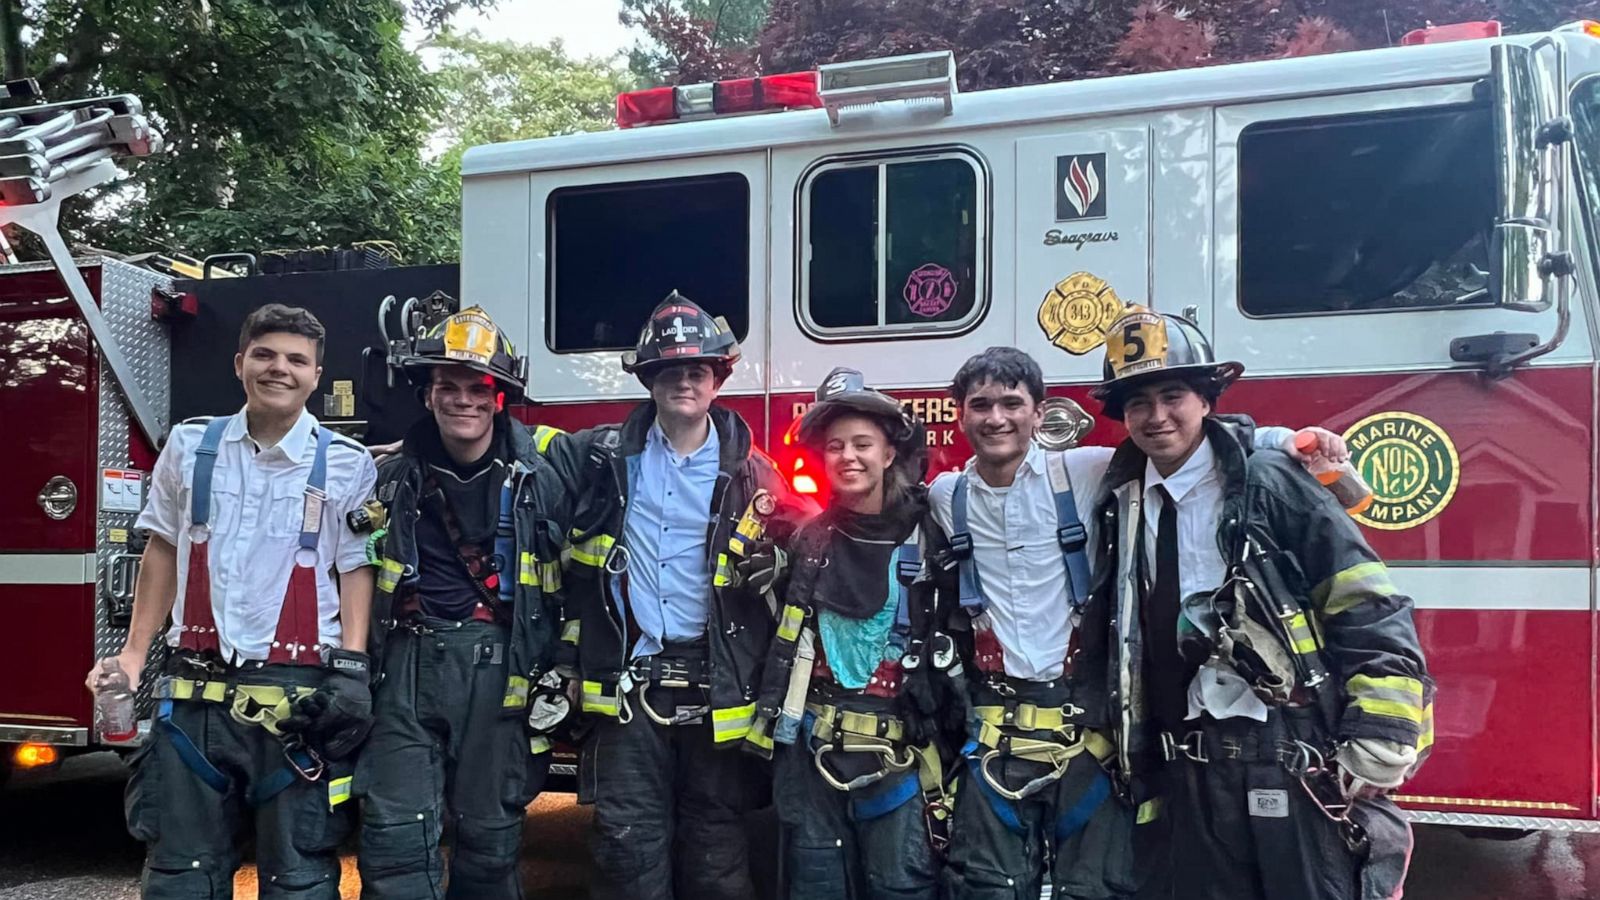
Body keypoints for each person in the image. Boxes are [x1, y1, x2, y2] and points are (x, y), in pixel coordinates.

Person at [922, 345, 1343, 899]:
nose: (996, 418)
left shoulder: (1085, 471)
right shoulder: (944, 495)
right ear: (960, 414)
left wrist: (1284, 440)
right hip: (994, 726)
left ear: (1039, 411)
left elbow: (1196, 448)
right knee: (986, 886)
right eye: (980, 405)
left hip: (1086, 726)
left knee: (1093, 888)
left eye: (1011, 403)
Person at [1081, 305, 1433, 900]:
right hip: (1190, 765)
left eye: (1173, 395)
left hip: (1292, 755)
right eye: (1138, 403)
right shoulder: (1124, 500)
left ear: (1206, 400)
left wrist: (1382, 731)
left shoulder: (1271, 481)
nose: (1157, 415)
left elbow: (1365, 599)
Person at [87, 304, 377, 899]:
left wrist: (352, 666)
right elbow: (162, 550)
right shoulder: (191, 447)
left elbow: (355, 569)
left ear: (316, 376)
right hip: (193, 699)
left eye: (297, 360)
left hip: (297, 702)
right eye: (266, 354)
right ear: (240, 362)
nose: (280, 369)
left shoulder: (349, 464)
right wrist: (134, 657)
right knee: (180, 877)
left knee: (299, 878)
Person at [539, 291, 813, 900]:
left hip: (717, 685)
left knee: (716, 847)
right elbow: (521, 452)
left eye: (697, 370)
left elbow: (812, 554)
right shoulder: (605, 456)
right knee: (626, 844)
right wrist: (402, 452)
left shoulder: (757, 476)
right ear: (649, 379)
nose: (683, 382)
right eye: (669, 371)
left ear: (717, 379)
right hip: (632, 685)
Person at [353, 304, 571, 899]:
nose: (463, 400)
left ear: (499, 395)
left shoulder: (548, 470)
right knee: (395, 839)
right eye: (447, 386)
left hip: (502, 671)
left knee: (490, 842)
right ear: (427, 394)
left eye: (479, 387)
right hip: (405, 667)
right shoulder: (386, 475)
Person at [755, 368, 952, 900]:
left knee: (899, 888)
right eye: (836, 446)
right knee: (815, 884)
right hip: (813, 753)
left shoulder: (932, 533)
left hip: (903, 758)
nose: (848, 457)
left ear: (889, 454)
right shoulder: (808, 539)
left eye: (863, 444)